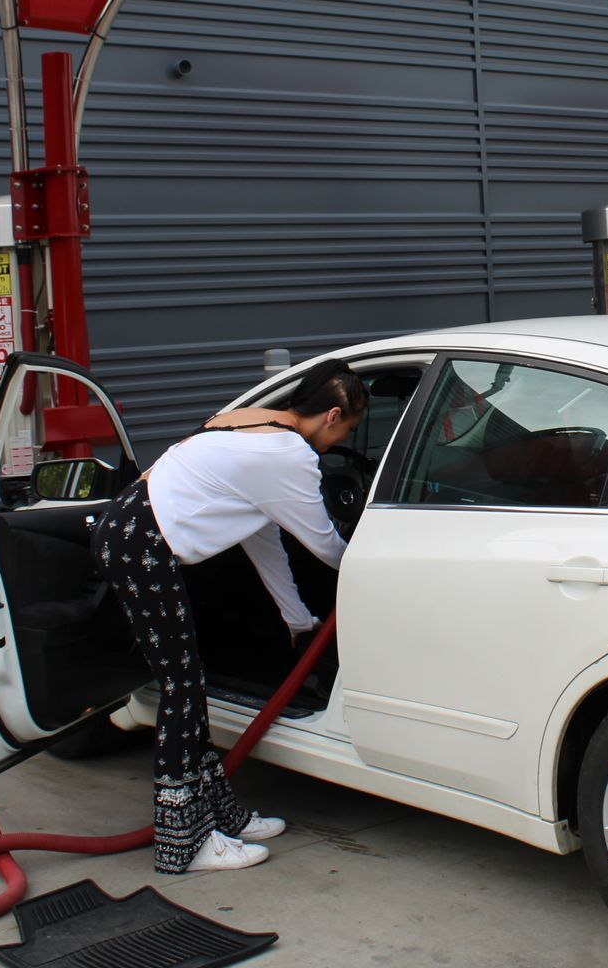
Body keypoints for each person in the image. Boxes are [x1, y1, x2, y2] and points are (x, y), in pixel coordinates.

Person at [92, 358, 367, 874]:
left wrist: (296, 617)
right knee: (183, 688)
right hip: (141, 544)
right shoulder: (289, 458)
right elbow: (326, 546)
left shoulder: (258, 422)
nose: (341, 440)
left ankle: (222, 815)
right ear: (332, 415)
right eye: (348, 429)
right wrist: (371, 564)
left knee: (187, 683)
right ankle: (183, 845)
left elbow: (262, 537)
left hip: (131, 532)